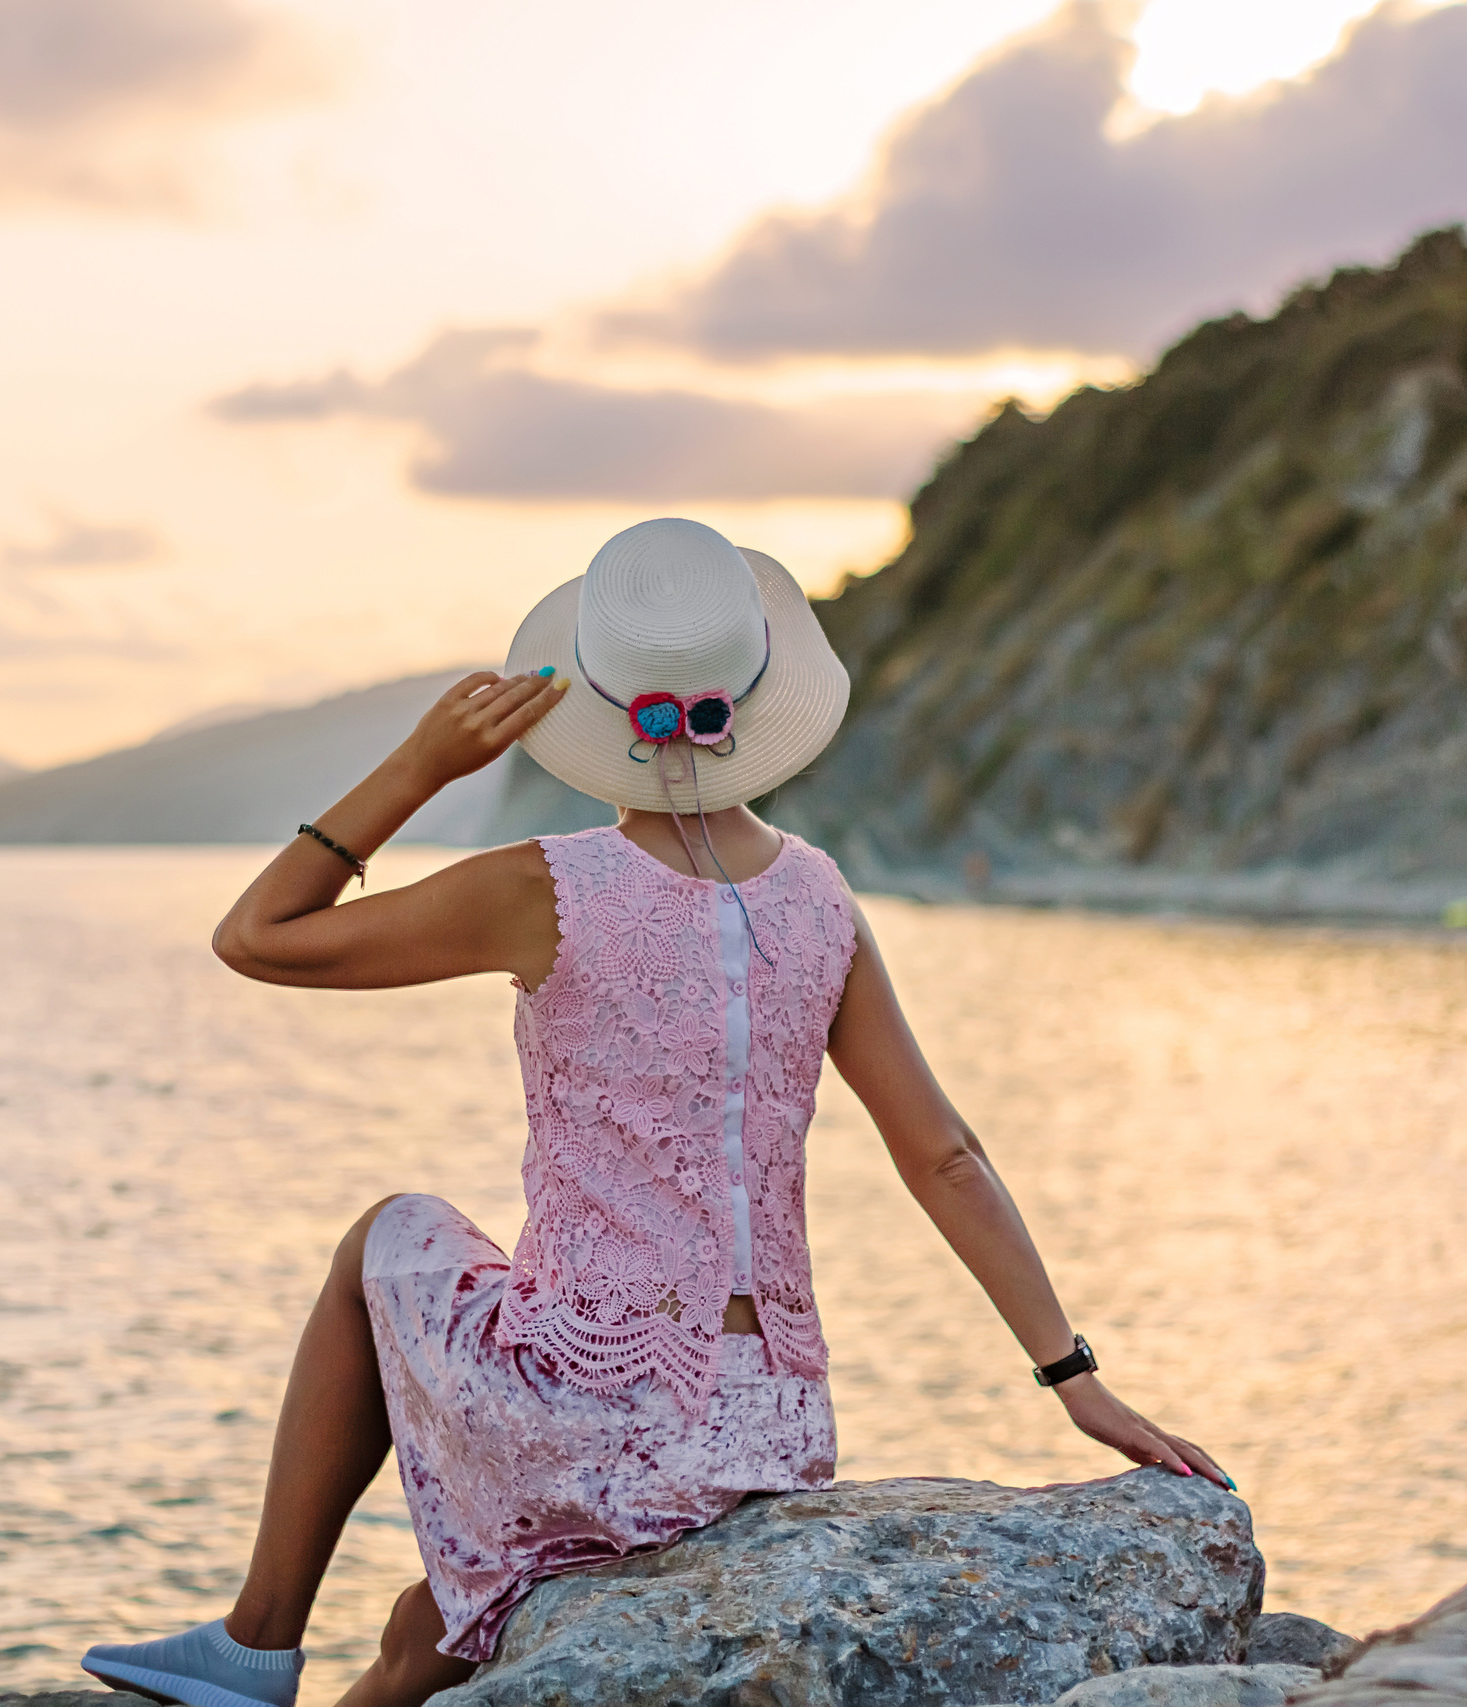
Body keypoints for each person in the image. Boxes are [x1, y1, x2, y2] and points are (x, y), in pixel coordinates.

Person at [78, 519, 1230, 1707]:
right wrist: (1073, 1379)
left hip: (596, 1407)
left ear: (592, 708)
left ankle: (258, 1636)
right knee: (430, 1624)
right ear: (756, 693)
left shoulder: (550, 889)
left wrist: (421, 768)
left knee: (385, 1235)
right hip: (767, 1433)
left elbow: (257, 936)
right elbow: (944, 1157)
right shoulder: (821, 900)